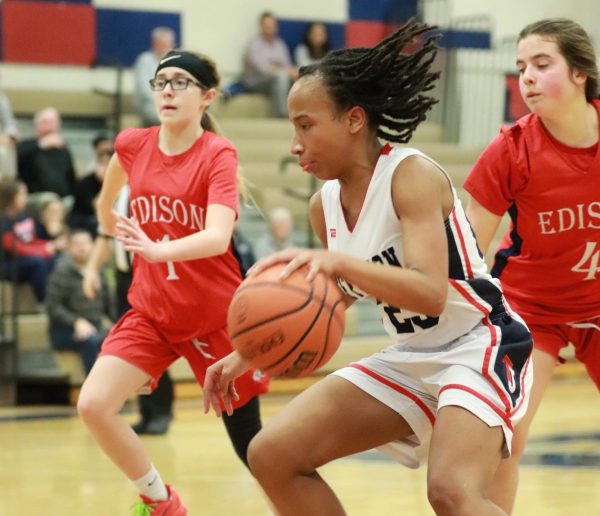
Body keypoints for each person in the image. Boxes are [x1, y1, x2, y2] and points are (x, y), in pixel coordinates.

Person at [203, 20, 533, 516]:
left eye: (306, 125)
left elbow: (428, 293)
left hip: (479, 343)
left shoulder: (410, 175)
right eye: (293, 128)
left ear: (354, 119)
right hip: (411, 355)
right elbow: (332, 298)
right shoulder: (324, 206)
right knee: (271, 454)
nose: (295, 144)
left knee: (450, 492)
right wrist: (246, 354)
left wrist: (335, 262)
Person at [76, 49, 269, 515]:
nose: (167, 90)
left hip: (213, 318)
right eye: (161, 81)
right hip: (154, 311)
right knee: (94, 404)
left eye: (180, 82)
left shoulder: (217, 153)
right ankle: (162, 502)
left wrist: (159, 249)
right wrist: (115, 228)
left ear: (207, 96)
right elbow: (105, 209)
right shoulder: (132, 144)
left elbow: (218, 235)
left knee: (254, 451)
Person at [463, 18, 600, 514]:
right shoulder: (511, 149)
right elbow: (468, 247)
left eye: (543, 65)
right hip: (530, 308)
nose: (528, 77)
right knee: (507, 438)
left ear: (581, 72)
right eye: (522, 67)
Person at [82, 185, 175, 436]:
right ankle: (146, 413)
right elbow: (105, 235)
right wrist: (91, 270)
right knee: (131, 348)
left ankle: (162, 412)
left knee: (152, 345)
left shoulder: (152, 188)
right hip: (124, 278)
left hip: (150, 276)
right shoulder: (118, 192)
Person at [46, 229, 111, 375]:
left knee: (115, 341)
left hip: (95, 326)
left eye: (85, 243)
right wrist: (76, 321)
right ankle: (95, 392)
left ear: (93, 246)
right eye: (77, 244)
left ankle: (117, 394)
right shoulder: (61, 272)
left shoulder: (99, 272)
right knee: (91, 341)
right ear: (69, 248)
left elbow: (109, 307)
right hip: (64, 330)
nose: (82, 247)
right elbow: (52, 306)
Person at [0, 179, 58, 306]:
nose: (26, 197)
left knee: (53, 259)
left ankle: (56, 300)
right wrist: (42, 251)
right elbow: (12, 247)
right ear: (11, 196)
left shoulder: (25, 216)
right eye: (22, 194)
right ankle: (43, 302)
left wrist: (47, 246)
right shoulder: (3, 219)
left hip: (26, 259)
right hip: (9, 264)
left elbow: (31, 240)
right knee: (38, 263)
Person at [16, 107, 76, 214]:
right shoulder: (26, 146)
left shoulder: (63, 149)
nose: (50, 125)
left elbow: (71, 176)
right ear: (36, 125)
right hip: (35, 197)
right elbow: (19, 158)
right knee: (50, 200)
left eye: (53, 122)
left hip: (63, 199)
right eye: (46, 122)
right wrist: (41, 145)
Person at [240, 11, 298, 118]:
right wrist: (283, 70)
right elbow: (264, 69)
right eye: (266, 25)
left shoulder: (280, 44)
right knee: (280, 76)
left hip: (277, 80)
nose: (269, 27)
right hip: (255, 83)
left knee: (298, 78)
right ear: (260, 26)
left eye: (272, 25)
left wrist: (292, 72)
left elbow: (287, 66)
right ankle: (282, 114)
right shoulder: (253, 45)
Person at [69, 133, 114, 236]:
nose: (106, 158)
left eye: (110, 153)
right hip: (85, 220)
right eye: (102, 154)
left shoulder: (122, 176)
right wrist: (106, 183)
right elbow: (97, 208)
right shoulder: (86, 180)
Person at [133, 27, 176, 127]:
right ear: (154, 44)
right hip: (149, 103)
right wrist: (164, 99)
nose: (165, 48)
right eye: (162, 44)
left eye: (168, 44)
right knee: (167, 116)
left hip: (171, 101)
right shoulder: (144, 60)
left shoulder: (176, 61)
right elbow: (145, 90)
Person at [0, 89, 19, 180]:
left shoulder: (2, 99)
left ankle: (6, 186)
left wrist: (10, 137)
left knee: (4, 150)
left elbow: (9, 123)